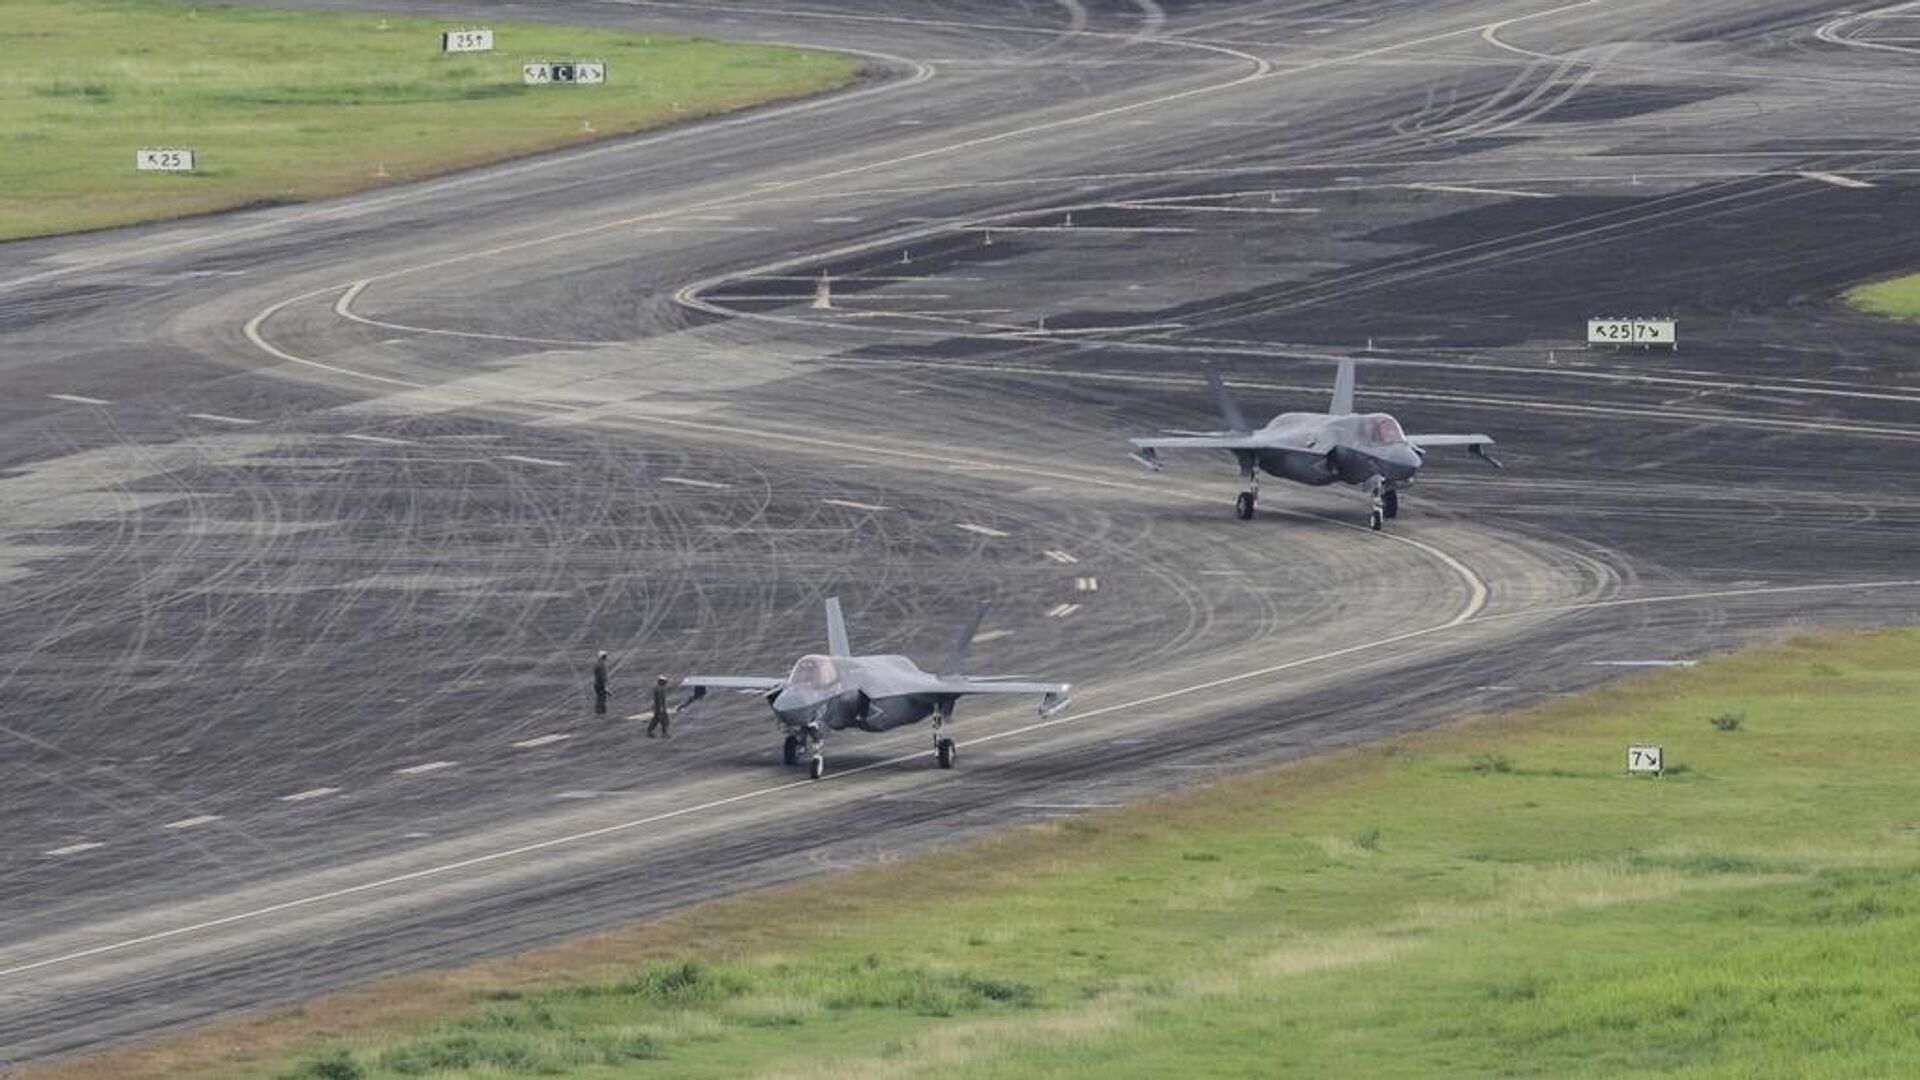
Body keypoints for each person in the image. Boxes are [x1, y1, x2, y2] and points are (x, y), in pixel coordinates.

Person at [592, 651, 611, 716]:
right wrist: (606, 687)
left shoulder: (597, 664)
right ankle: (601, 712)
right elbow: (603, 677)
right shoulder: (601, 665)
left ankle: (599, 711)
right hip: (600, 684)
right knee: (602, 698)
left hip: (596, 684)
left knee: (599, 698)